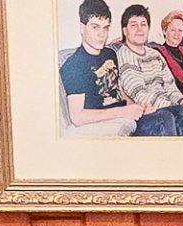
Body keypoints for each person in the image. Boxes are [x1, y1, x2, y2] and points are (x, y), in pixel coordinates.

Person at [60, 0, 145, 137]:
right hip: (109, 123)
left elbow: (119, 91)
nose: (102, 34)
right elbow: (77, 117)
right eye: (95, 27)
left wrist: (138, 107)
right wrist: (122, 112)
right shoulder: (74, 66)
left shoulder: (110, 53)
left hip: (126, 116)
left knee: (175, 114)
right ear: (82, 28)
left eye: (105, 28)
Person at [113, 5, 183, 136]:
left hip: (164, 107)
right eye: (134, 25)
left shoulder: (155, 54)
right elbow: (139, 93)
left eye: (143, 24)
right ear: (125, 31)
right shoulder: (125, 55)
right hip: (144, 113)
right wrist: (172, 105)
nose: (140, 29)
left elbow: (170, 86)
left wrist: (182, 101)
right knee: (167, 116)